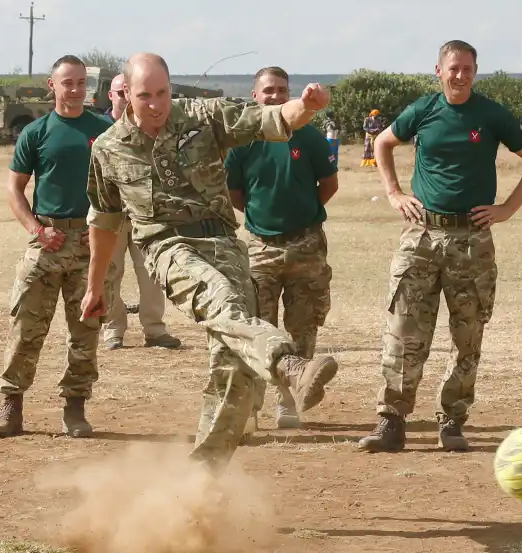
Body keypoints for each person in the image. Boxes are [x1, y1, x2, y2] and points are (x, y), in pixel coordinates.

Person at [80, 52, 339, 468]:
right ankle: (287, 363)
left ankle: (202, 480)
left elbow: (271, 119)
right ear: (127, 92)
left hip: (225, 245)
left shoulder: (204, 115)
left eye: (163, 93)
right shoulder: (109, 148)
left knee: (233, 367)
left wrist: (306, 106)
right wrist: (95, 287)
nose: (156, 104)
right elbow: (105, 222)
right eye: (145, 95)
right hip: (169, 248)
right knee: (221, 300)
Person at [357, 40, 522, 453]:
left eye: (467, 68)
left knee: (467, 334)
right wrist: (393, 193)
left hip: (472, 241)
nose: (460, 75)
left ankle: (452, 420)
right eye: (453, 69)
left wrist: (507, 209)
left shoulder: (491, 114)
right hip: (422, 236)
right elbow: (382, 143)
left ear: (475, 72)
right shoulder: (423, 110)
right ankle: (391, 421)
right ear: (439, 71)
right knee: (404, 331)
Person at [0, 55, 114, 439]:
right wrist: (37, 229)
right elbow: (15, 188)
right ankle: (11, 407)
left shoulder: (105, 130)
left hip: (91, 242)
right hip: (47, 241)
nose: (75, 90)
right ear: (52, 85)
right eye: (67, 83)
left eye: (80, 83)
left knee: (86, 329)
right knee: (26, 327)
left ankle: (75, 407)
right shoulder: (37, 132)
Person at [225, 66, 339, 433]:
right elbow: (235, 194)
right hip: (260, 247)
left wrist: (302, 218)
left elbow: (329, 184)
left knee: (302, 325)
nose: (275, 96)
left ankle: (289, 399)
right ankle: (254, 400)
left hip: (306, 244)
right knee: (260, 326)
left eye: (282, 90)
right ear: (255, 96)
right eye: (268, 90)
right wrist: (262, 220)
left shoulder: (309, 137)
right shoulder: (242, 143)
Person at [100, 73, 181, 351]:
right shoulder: (99, 130)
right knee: (109, 273)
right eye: (119, 93)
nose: (124, 98)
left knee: (152, 273)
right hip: (110, 218)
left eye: (128, 92)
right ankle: (113, 330)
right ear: (111, 96)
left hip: (145, 216)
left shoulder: (151, 128)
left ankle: (155, 330)